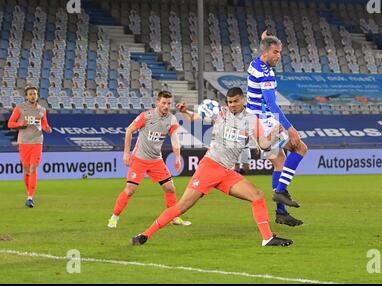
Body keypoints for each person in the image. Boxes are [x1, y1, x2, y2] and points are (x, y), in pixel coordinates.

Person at [132, 87, 293, 247]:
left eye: (235, 101)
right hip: (210, 167)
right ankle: (144, 235)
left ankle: (267, 238)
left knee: (257, 195)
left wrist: (273, 134)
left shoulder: (251, 120)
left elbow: (264, 145)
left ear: (242, 100)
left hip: (226, 172)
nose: (232, 105)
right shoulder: (221, 112)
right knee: (182, 206)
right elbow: (197, 118)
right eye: (229, 102)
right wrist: (186, 112)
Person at [246, 30, 308, 226]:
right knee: (300, 148)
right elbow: (272, 105)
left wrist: (265, 40)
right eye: (275, 52)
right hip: (263, 121)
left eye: (280, 52)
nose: (278, 56)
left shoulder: (255, 63)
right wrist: (290, 128)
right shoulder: (266, 74)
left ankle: (281, 213)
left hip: (254, 119)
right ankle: (280, 192)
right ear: (266, 53)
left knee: (279, 162)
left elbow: (263, 50)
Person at [107, 90, 191, 228]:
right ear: (157, 102)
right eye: (163, 103)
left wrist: (177, 157)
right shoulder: (146, 116)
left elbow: (175, 139)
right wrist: (126, 153)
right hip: (139, 159)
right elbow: (129, 130)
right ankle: (114, 217)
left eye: (169, 103)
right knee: (130, 190)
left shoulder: (171, 119)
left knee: (170, 188)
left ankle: (174, 218)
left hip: (156, 160)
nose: (166, 106)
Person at [7, 86, 52, 208]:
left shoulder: (42, 110)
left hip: (37, 141)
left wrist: (47, 129)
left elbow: (45, 125)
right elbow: (10, 123)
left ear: (37, 95)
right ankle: (28, 193)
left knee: (33, 168)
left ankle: (30, 197)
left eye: (35, 94)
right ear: (26, 96)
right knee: (26, 169)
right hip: (24, 142)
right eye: (30, 94)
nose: (33, 96)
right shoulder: (20, 108)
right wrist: (21, 124)